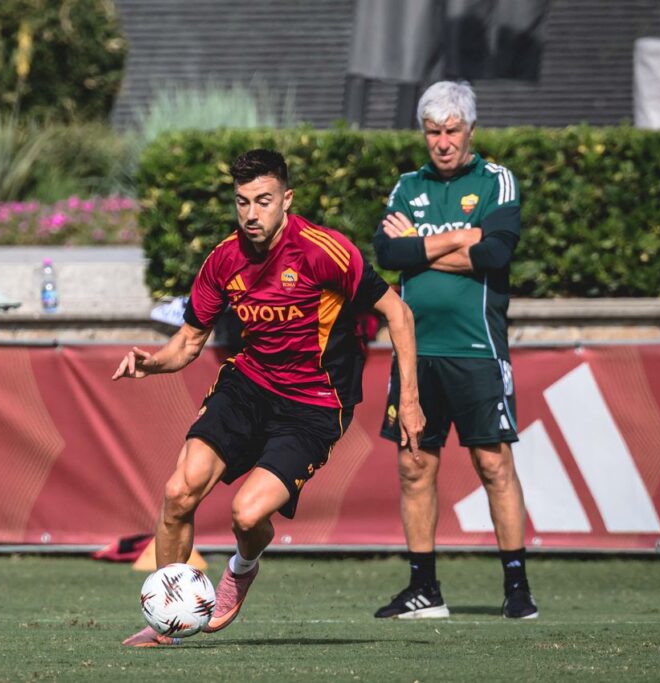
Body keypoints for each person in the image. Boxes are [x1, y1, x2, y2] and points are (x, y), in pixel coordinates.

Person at [115, 149, 425, 646]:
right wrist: (152, 363)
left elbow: (399, 314)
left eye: (263, 201)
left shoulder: (325, 251)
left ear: (286, 199)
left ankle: (244, 565)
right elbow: (189, 343)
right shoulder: (223, 260)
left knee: (247, 515)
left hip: (314, 404)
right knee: (178, 493)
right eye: (242, 202)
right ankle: (165, 626)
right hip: (248, 386)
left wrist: (408, 400)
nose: (251, 214)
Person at [372, 81, 537, 619]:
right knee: (414, 464)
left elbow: (494, 252)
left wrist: (418, 250)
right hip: (415, 352)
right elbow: (385, 251)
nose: (442, 142)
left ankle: (517, 587)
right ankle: (425, 589)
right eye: (432, 131)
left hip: (477, 349)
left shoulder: (496, 181)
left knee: (494, 464)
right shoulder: (406, 186)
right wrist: (454, 239)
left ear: (470, 129)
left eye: (452, 130)